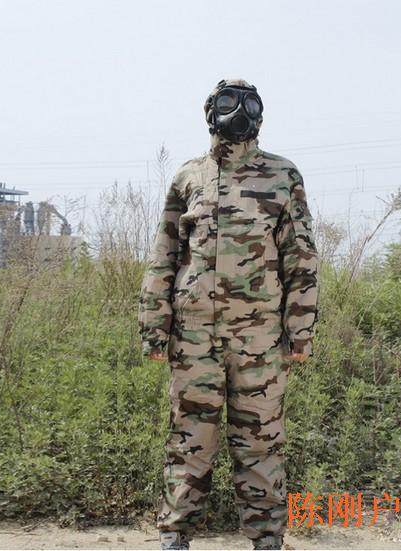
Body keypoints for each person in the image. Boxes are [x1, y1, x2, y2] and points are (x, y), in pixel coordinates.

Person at [139, 78, 319, 550]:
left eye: (248, 103)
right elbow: (164, 255)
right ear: (209, 111)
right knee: (189, 438)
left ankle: (266, 539)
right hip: (193, 338)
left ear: (261, 114)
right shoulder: (188, 177)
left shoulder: (283, 175)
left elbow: (300, 258)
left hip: (260, 338)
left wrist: (300, 332)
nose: (237, 111)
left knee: (261, 441)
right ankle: (175, 535)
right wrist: (155, 328)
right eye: (226, 101)